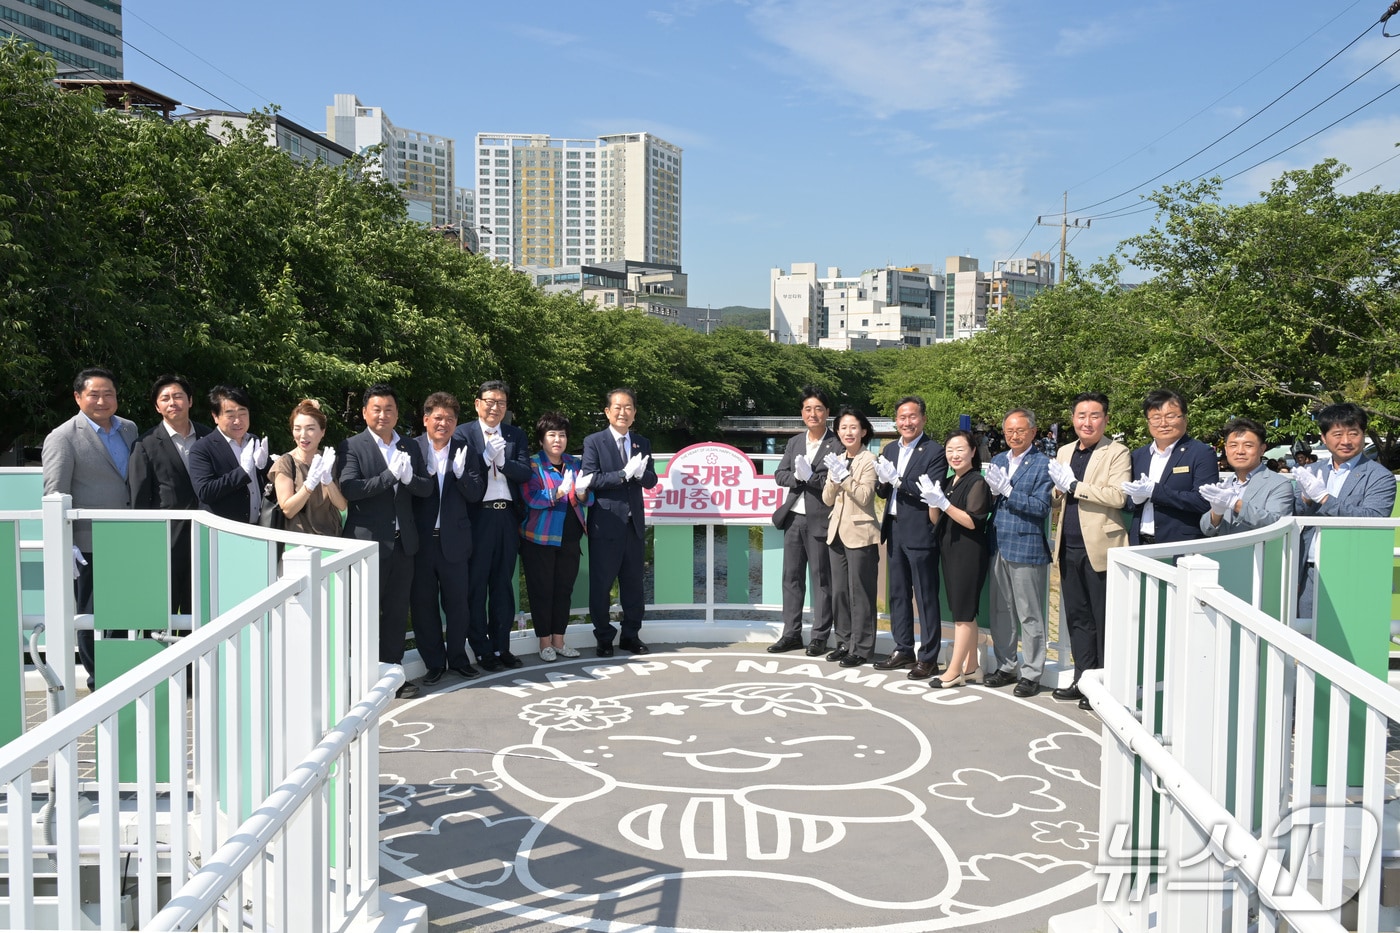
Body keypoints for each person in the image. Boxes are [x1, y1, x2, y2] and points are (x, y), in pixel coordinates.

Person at [42, 367, 138, 689]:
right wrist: (64, 541)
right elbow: (54, 492)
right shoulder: (63, 437)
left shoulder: (129, 429)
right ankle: (99, 678)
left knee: (127, 606)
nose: (102, 400)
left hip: (130, 538)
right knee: (90, 614)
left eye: (108, 393)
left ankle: (122, 672)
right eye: (94, 394)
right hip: (88, 542)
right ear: (78, 397)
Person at [338, 384, 433, 698]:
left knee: (395, 611)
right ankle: (362, 679)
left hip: (404, 542)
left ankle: (393, 674)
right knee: (364, 612)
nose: (383, 414)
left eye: (389, 408)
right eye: (376, 409)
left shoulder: (410, 446)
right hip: (367, 545)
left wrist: (409, 479)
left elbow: (425, 489)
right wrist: (390, 477)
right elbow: (350, 488)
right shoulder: (352, 446)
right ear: (365, 412)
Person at [1047, 392, 1131, 711]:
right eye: (1081, 415)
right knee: (1078, 618)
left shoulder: (1117, 452)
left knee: (1102, 618)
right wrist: (1057, 490)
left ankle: (1104, 685)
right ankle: (1083, 680)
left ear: (1106, 419)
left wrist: (1074, 486)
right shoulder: (1065, 450)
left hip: (1101, 548)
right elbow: (1058, 498)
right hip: (1068, 545)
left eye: (1094, 415)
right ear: (1073, 419)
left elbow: (1118, 496)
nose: (1087, 421)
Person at [453, 380, 531, 672]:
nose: (495, 407)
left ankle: (502, 647)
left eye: (500, 402)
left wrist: (503, 461)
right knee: (476, 586)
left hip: (507, 516)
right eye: (489, 401)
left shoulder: (515, 435)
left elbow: (524, 472)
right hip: (477, 517)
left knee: (503, 586)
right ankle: (482, 650)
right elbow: (460, 475)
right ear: (477, 403)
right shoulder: (463, 434)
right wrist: (486, 459)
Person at [1293, 402, 1397, 619]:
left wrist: (1324, 498)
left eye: (1353, 433)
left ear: (1363, 434)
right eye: (1337, 434)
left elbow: (1374, 519)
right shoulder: (1312, 471)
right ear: (1323, 438)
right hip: (1310, 569)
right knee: (1306, 638)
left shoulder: (1379, 476)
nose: (1346, 441)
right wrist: (1304, 498)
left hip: (1353, 568)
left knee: (1351, 639)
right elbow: (1293, 515)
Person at [409, 393, 486, 686]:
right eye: (438, 417)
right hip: (421, 542)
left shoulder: (466, 449)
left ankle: (458, 658)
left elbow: (476, 493)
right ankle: (433, 663)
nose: (444, 423)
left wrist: (461, 474)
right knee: (423, 605)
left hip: (455, 540)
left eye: (450, 419)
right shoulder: (411, 448)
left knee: (458, 604)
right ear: (426, 419)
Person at [873, 396, 948, 678]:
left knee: (925, 595)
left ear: (923, 419)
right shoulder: (889, 449)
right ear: (896, 421)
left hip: (920, 530)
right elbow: (883, 492)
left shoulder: (934, 451)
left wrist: (899, 482)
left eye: (912, 416)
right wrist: (883, 481)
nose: (907, 422)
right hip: (894, 528)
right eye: (902, 417)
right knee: (898, 594)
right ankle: (903, 649)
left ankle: (928, 656)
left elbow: (933, 491)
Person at [981, 409, 1054, 697]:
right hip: (997, 541)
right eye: (1010, 430)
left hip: (1026, 544)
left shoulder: (1043, 464)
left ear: (1033, 432)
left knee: (1029, 614)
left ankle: (1033, 672)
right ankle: (1006, 665)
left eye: (1020, 430)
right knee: (1001, 611)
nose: (1014, 435)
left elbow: (1041, 508)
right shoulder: (998, 460)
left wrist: (1009, 491)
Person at [582, 388, 658, 657]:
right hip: (605, 523)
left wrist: (639, 475)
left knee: (633, 584)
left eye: (628, 408)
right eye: (617, 407)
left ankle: (630, 635)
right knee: (602, 585)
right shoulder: (594, 442)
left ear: (634, 413)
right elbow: (591, 479)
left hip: (633, 525)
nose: (623, 412)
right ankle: (603, 637)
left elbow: (652, 480)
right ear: (607, 411)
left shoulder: (642, 443)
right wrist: (623, 475)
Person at [128, 374, 212, 616]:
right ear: (157, 406)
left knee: (200, 608)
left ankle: (198, 655)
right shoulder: (145, 444)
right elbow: (138, 498)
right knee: (160, 610)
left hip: (207, 533)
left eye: (178, 396)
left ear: (190, 401)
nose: (172, 402)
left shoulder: (210, 438)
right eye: (165, 398)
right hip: (166, 538)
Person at [769, 386, 843, 656]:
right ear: (802, 413)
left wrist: (810, 477)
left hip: (821, 517)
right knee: (791, 578)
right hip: (793, 518)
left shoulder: (836, 444)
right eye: (808, 409)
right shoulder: (795, 442)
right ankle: (791, 633)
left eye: (818, 409)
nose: (813, 414)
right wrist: (797, 478)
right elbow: (780, 474)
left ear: (827, 413)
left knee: (822, 580)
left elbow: (833, 480)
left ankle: (820, 636)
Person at [920, 430, 992, 688]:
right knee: (965, 614)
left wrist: (945, 504)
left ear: (973, 451)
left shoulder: (977, 482)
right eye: (950, 450)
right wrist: (932, 502)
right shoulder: (951, 482)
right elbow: (936, 521)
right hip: (950, 551)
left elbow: (973, 521)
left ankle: (954, 672)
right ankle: (972, 667)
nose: (954, 455)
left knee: (962, 615)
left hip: (968, 554)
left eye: (960, 449)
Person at [521, 411, 594, 662]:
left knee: (564, 590)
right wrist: (557, 492)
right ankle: (544, 643)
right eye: (551, 434)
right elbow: (531, 498)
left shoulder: (574, 463)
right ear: (542, 439)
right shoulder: (532, 465)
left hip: (570, 537)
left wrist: (582, 493)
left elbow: (588, 499)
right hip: (539, 538)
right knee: (542, 590)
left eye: (562, 435)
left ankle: (559, 640)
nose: (557, 440)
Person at [821, 408, 880, 668]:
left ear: (863, 431)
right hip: (836, 533)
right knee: (840, 593)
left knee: (861, 594)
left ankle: (862, 647)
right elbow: (826, 499)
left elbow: (866, 496)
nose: (848, 432)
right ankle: (843, 642)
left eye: (853, 427)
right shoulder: (837, 458)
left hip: (860, 534)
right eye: (843, 427)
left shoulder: (869, 459)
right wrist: (834, 478)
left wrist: (844, 477)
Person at [1121, 390, 1217, 546]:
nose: (1163, 423)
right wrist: (1135, 500)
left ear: (1184, 419)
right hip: (1139, 542)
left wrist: (1155, 491)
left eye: (1171, 416)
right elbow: (1126, 502)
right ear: (1148, 422)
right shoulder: (1138, 455)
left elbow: (1203, 501)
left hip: (1180, 543)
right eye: (1156, 418)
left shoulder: (1201, 453)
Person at [1198, 418, 1295, 537]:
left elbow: (1277, 523)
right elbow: (1207, 529)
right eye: (1233, 445)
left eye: (1248, 445)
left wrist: (1235, 504)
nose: (1240, 451)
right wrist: (1216, 513)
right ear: (1226, 450)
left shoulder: (1279, 484)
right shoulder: (1226, 483)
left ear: (1262, 449)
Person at [188, 385, 269, 524]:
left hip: (258, 528)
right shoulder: (202, 448)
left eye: (243, 414)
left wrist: (265, 466)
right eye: (230, 415)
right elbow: (205, 492)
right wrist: (242, 472)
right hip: (223, 531)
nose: (238, 421)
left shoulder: (253, 440)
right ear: (215, 417)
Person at [271, 399, 347, 536]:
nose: (303, 435)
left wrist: (327, 480)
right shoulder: (285, 462)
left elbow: (342, 505)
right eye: (297, 428)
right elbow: (288, 511)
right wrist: (309, 484)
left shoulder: (330, 460)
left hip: (332, 538)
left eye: (310, 428)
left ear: (322, 432)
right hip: (299, 542)